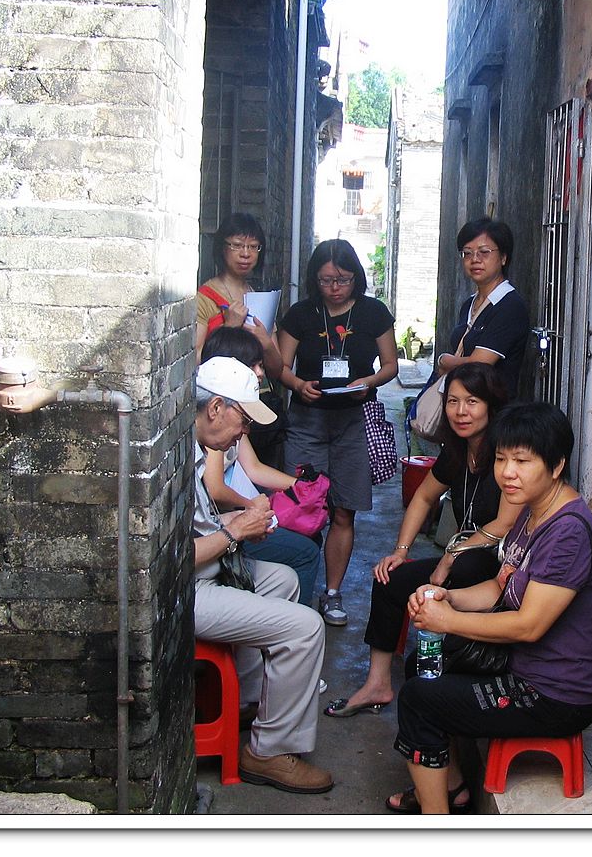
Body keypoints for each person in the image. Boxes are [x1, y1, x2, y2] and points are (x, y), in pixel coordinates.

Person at [385, 401, 592, 814]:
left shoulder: (567, 532)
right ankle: (452, 786)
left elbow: (528, 626)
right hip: (523, 666)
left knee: (419, 700)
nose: (508, 472)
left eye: (522, 461)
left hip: (554, 694)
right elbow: (497, 587)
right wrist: (448, 598)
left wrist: (449, 620)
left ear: (556, 465)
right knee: (423, 663)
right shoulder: (533, 510)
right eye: (502, 459)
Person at [324, 362, 522, 719]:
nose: (461, 412)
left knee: (464, 567)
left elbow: (505, 523)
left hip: (502, 565)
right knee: (389, 579)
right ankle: (377, 684)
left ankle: (449, 658)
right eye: (453, 401)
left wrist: (451, 554)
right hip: (463, 559)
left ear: (491, 405)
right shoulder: (458, 451)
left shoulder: (505, 452)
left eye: (472, 401)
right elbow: (423, 497)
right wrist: (400, 551)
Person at [189, 356, 332, 793]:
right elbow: (170, 559)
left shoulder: (196, 446)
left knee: (283, 579)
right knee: (307, 627)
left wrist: (238, 524)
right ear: (216, 408)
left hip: (209, 568)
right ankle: (269, 751)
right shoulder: (166, 461)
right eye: (243, 420)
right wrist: (234, 530)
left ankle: (248, 701)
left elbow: (202, 524)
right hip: (184, 591)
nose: (244, 432)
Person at [277, 239, 399, 626]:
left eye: (343, 279)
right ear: (314, 279)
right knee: (301, 506)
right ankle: (294, 591)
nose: (334, 287)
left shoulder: (373, 312)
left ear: (355, 277)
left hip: (353, 420)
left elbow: (391, 365)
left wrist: (369, 382)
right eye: (326, 280)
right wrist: (298, 385)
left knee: (344, 510)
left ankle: (332, 593)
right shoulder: (301, 314)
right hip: (307, 421)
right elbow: (280, 366)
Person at [199, 326, 321, 608]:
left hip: (230, 520)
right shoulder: (214, 431)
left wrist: (299, 486)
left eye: (260, 365)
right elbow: (215, 489)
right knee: (306, 552)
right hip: (221, 528)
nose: (260, 372)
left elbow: (253, 467)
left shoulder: (232, 419)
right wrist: (251, 508)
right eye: (253, 365)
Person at [196, 213, 287, 466]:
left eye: (253, 247)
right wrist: (229, 327)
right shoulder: (204, 298)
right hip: (224, 408)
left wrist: (265, 341)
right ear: (221, 248)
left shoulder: (260, 299)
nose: (245, 254)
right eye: (237, 245)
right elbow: (196, 360)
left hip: (258, 403)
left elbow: (277, 369)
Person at [431, 217, 530, 399]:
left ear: (503, 258)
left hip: (493, 407)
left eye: (484, 252)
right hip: (463, 403)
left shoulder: (510, 306)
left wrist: (444, 360)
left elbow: (479, 364)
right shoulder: (469, 304)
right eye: (467, 253)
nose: (475, 259)